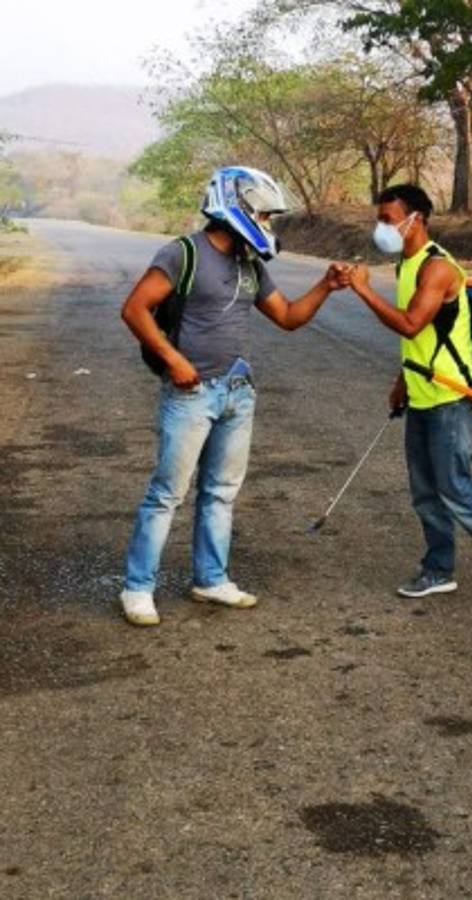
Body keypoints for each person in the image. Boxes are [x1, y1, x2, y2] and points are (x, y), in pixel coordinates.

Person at [119, 166, 345, 626]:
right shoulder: (183, 253)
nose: (267, 223)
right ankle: (138, 589)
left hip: (238, 393)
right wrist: (173, 359)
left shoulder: (250, 263)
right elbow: (135, 309)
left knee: (221, 492)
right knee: (167, 494)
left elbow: (287, 317)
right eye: (263, 214)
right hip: (191, 394)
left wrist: (325, 285)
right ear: (234, 206)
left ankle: (211, 579)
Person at [345, 183, 472, 615]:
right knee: (425, 490)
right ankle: (439, 568)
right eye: (380, 219)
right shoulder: (406, 264)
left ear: (417, 219)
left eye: (388, 219)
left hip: (451, 396)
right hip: (421, 389)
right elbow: (423, 339)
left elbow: (412, 324)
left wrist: (361, 289)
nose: (382, 228)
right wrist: (402, 381)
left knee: (456, 487)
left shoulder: (437, 268)